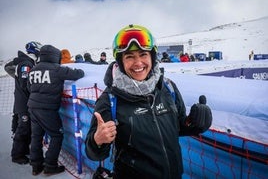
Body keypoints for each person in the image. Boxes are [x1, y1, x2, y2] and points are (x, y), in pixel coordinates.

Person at [85, 24, 212, 179]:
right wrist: (97, 140)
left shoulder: (168, 87)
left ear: (152, 56)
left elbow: (177, 126)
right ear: (120, 61)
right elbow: (93, 153)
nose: (138, 63)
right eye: (130, 56)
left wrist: (194, 124)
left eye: (143, 54)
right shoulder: (110, 100)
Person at [27, 44, 85, 176]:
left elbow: (29, 87)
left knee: (36, 136)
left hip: (32, 107)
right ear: (55, 56)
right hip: (47, 109)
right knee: (57, 135)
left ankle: (36, 166)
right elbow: (77, 74)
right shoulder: (57, 69)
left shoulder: (33, 70)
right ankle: (50, 165)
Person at [11, 41, 42, 165]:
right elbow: (25, 84)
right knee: (23, 128)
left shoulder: (25, 63)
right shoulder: (26, 64)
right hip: (24, 102)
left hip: (23, 101)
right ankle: (17, 155)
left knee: (27, 127)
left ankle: (23, 150)